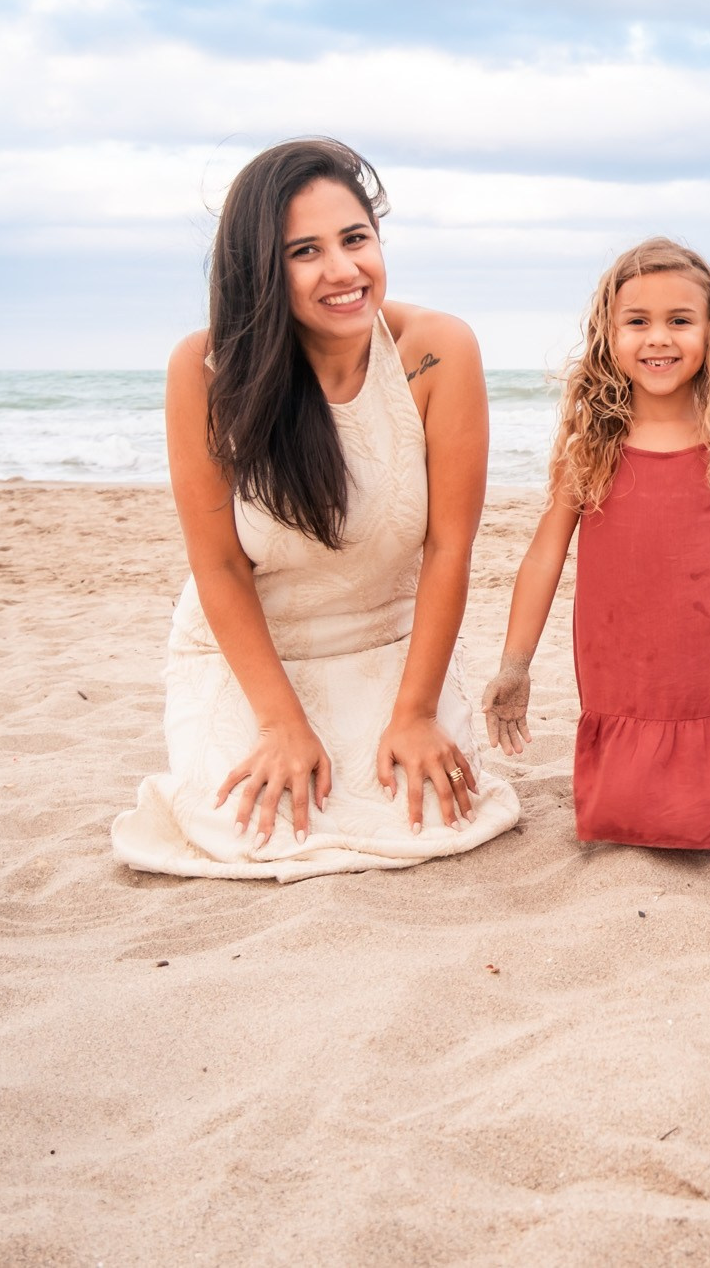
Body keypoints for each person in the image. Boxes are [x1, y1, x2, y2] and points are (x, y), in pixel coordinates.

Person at [112, 138, 519, 880]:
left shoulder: (438, 351)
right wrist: (279, 721)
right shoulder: (204, 371)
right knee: (256, 829)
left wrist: (417, 710)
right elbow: (220, 565)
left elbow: (450, 549)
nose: (343, 271)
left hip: (392, 646)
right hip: (253, 656)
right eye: (305, 251)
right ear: (262, 270)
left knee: (425, 819)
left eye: (355, 238)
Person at [480, 238, 710, 850]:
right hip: (619, 656)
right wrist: (515, 666)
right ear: (609, 334)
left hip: (706, 656)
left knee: (700, 806)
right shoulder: (589, 447)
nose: (658, 337)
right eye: (638, 321)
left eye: (679, 320)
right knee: (628, 810)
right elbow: (543, 556)